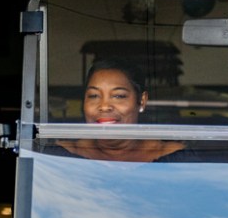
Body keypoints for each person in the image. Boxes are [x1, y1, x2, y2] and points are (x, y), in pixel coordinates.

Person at [55, 59, 188, 162]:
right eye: (94, 96)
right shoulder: (62, 156)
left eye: (118, 96)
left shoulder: (172, 157)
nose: (105, 106)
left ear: (142, 101)